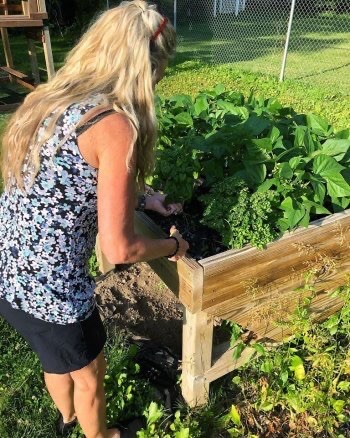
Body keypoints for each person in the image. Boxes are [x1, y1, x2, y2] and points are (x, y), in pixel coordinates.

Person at [0, 1, 189, 437]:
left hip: (10, 273)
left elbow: (72, 177)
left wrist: (143, 199)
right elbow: (120, 248)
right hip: (52, 291)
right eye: (161, 69)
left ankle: (66, 422)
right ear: (148, 68)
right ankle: (100, 435)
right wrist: (174, 247)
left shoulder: (53, 99)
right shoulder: (115, 123)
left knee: (56, 361)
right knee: (90, 376)